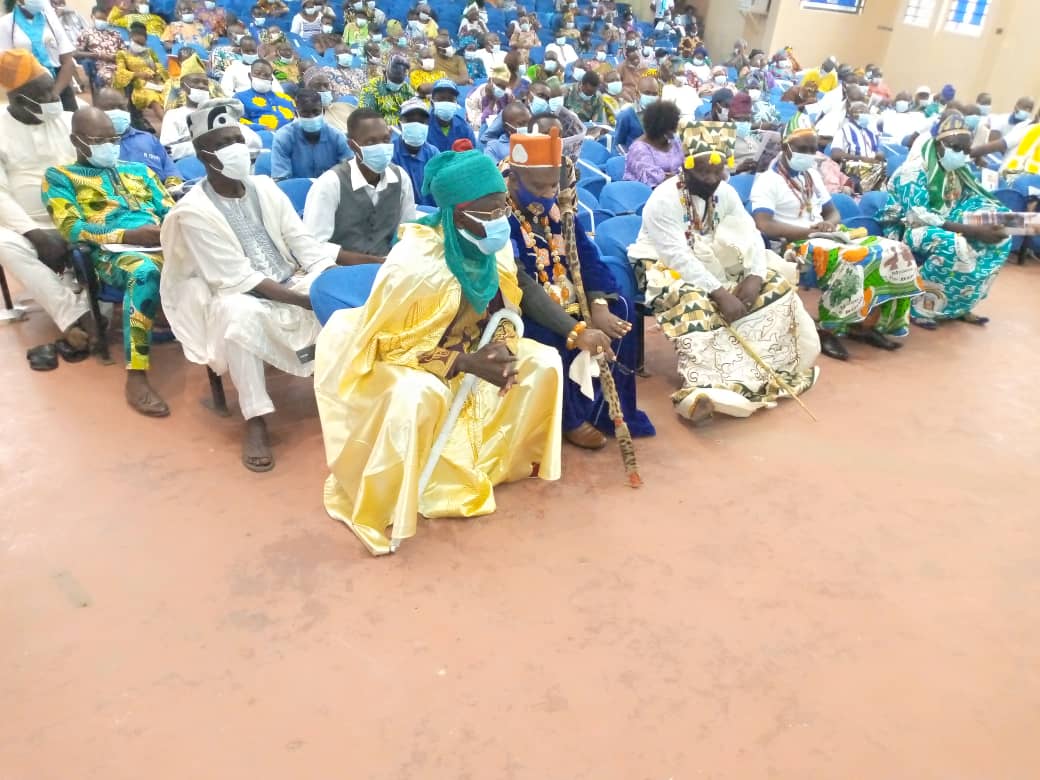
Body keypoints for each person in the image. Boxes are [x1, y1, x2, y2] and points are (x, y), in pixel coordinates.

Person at [312, 148, 575, 556]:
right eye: (488, 212)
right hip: (400, 359)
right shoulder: (415, 263)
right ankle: (390, 499)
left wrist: (502, 347)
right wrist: (466, 363)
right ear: (458, 214)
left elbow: (506, 309)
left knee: (543, 362)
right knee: (420, 394)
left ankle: (502, 464)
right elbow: (388, 346)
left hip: (471, 348)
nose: (499, 220)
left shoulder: (494, 248)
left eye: (502, 209)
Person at [159, 98, 346, 470]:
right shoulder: (193, 211)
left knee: (340, 291)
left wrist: (326, 279)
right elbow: (238, 279)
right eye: (224, 143)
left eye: (237, 140)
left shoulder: (265, 187)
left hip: (289, 278)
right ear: (204, 155)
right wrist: (308, 301)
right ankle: (256, 418)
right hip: (234, 292)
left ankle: (341, 392)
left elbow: (302, 242)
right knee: (238, 317)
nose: (236, 149)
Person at [628, 120, 819, 423]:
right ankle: (704, 390)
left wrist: (754, 277)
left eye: (717, 172)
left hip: (714, 260)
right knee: (694, 302)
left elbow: (751, 234)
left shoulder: (725, 192)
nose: (711, 179)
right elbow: (676, 256)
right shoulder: (663, 199)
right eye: (703, 173)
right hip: (662, 264)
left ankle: (766, 372)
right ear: (686, 168)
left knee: (776, 286)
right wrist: (719, 293)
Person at [504, 127, 653, 445]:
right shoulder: (501, 217)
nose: (547, 194)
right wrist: (575, 330)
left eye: (552, 186)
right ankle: (569, 419)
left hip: (572, 298)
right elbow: (523, 286)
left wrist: (598, 305)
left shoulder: (558, 209)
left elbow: (587, 257)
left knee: (622, 311)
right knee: (549, 336)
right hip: (527, 308)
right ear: (514, 180)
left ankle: (609, 410)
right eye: (538, 187)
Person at [751, 114, 924, 361]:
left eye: (812, 149)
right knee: (853, 260)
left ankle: (865, 324)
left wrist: (828, 224)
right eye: (802, 149)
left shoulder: (810, 175)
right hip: (793, 245)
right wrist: (809, 231)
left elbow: (833, 212)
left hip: (826, 237)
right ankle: (828, 330)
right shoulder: (768, 180)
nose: (809, 154)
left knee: (896, 251)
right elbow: (764, 224)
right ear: (785, 146)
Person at [43, 106, 172, 414]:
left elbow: (169, 208)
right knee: (143, 271)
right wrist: (128, 236)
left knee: (221, 256)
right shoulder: (60, 178)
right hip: (112, 255)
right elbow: (71, 228)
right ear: (76, 141)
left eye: (113, 139)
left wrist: (173, 228)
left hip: (165, 243)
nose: (110, 146)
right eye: (99, 140)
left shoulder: (140, 171)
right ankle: (136, 375)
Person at [0, 50, 93, 357]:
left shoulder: (69, 118)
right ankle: (74, 315)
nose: (53, 96)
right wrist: (35, 235)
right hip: (29, 226)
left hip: (79, 214)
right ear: (17, 99)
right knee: (3, 243)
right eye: (42, 94)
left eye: (51, 88)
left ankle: (87, 306)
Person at [880, 111, 1011, 328]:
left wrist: (992, 221)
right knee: (954, 245)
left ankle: (959, 306)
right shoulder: (914, 170)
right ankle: (919, 307)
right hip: (908, 228)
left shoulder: (957, 171)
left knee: (1002, 235)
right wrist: (973, 230)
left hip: (946, 222)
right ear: (939, 144)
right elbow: (918, 215)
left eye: (966, 150)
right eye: (956, 148)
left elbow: (973, 199)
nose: (961, 154)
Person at [303, 108, 415, 279]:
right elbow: (314, 246)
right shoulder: (330, 183)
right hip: (339, 271)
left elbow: (409, 231)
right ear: (352, 145)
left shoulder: (401, 178)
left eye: (385, 140)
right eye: (371, 142)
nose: (381, 147)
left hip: (390, 269)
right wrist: (375, 263)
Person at [94, 87, 181, 190]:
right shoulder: (93, 146)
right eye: (111, 108)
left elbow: (171, 171)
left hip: (161, 195)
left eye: (122, 107)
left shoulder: (148, 139)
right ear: (96, 111)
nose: (118, 112)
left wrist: (171, 187)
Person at [0, 0, 76, 112]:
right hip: (26, 89)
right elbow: (5, 64)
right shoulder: (6, 23)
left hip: (59, 84)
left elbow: (68, 62)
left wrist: (54, 93)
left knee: (68, 120)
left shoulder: (51, 20)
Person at [271, 88, 349, 181]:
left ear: (323, 112)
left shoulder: (337, 136)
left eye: (316, 112)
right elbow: (282, 179)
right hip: (296, 188)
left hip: (331, 187)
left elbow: (349, 173)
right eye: (305, 113)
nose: (311, 117)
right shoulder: (283, 137)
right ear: (296, 114)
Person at [113, 21, 168, 122]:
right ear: (130, 38)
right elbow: (120, 73)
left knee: (171, 97)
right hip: (141, 86)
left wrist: (157, 72)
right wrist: (138, 74)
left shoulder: (149, 52)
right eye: (137, 42)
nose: (139, 46)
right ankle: (168, 125)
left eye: (142, 44)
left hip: (156, 82)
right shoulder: (123, 54)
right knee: (153, 99)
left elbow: (159, 66)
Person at [623, 99, 682, 188]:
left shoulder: (673, 140)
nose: (674, 131)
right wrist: (680, 178)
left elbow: (683, 165)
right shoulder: (639, 149)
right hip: (649, 193)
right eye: (671, 129)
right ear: (660, 128)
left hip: (675, 187)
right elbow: (653, 181)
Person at [830, 100, 886, 192]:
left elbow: (877, 153)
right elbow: (835, 154)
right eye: (861, 112)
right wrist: (861, 158)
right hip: (852, 170)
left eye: (866, 112)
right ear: (851, 115)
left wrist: (879, 156)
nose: (865, 115)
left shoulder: (870, 133)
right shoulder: (843, 131)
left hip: (872, 169)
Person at [391, 97, 438, 207]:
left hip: (431, 213)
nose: (416, 125)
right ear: (400, 124)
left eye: (421, 122)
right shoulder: (390, 153)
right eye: (410, 121)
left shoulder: (433, 154)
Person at [234, 58, 295, 131]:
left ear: (271, 79)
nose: (261, 77)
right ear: (250, 76)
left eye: (266, 75)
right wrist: (263, 128)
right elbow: (237, 121)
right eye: (257, 74)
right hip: (261, 135)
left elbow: (298, 118)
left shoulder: (285, 98)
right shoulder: (240, 98)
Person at [75, 6, 125, 91]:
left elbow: (124, 51)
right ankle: (113, 98)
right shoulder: (86, 33)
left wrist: (117, 57)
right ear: (92, 17)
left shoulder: (115, 33)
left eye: (104, 19)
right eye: (99, 18)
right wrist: (97, 55)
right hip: (102, 65)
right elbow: (76, 53)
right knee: (110, 77)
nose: (102, 21)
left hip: (119, 63)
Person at [359, 55, 415, 125]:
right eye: (393, 81)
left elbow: (414, 109)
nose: (396, 85)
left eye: (399, 82)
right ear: (385, 73)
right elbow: (366, 117)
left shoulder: (406, 89)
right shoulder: (371, 89)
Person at [730, 91, 778, 174]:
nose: (745, 123)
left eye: (747, 120)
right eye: (740, 119)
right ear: (730, 118)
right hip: (739, 176)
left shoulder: (749, 135)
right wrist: (737, 168)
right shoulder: (720, 137)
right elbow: (715, 168)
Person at [427, 78, 475, 152]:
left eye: (450, 99)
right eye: (441, 99)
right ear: (432, 103)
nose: (446, 103)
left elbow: (473, 155)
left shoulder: (464, 128)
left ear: (456, 103)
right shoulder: (423, 127)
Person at [613, 76, 657, 152]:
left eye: (654, 94)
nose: (651, 97)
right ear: (637, 94)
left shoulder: (660, 115)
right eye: (647, 93)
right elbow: (617, 145)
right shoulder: (626, 115)